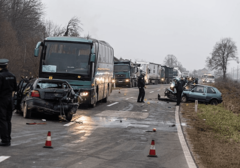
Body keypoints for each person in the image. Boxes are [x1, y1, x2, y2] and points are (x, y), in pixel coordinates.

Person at [0, 59, 17, 146]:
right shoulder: (12, 76)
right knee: (8, 120)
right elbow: (15, 88)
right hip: (10, 99)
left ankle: (4, 140)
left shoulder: (1, 76)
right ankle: (8, 138)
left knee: (2, 120)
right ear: (6, 66)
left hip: (2, 100)